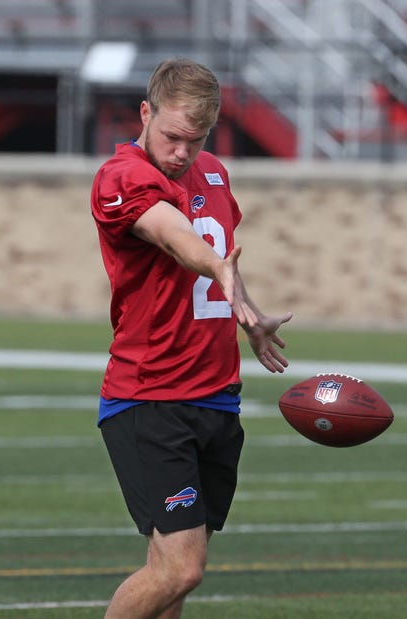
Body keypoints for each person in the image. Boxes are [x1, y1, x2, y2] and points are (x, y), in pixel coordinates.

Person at [90, 58, 293, 619]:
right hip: (151, 396)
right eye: (172, 136)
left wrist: (248, 317)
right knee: (183, 567)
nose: (182, 152)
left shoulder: (214, 173)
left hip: (215, 394)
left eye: (195, 139)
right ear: (145, 113)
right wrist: (218, 270)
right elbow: (178, 238)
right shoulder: (121, 176)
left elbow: (224, 255)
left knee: (170, 574)